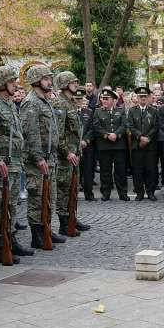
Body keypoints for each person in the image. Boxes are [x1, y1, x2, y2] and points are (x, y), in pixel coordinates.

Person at [0, 65, 33, 263]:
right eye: (12, 81)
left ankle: (10, 239)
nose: (15, 85)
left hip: (13, 163)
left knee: (11, 204)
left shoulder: (9, 103)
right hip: (0, 165)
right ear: (1, 83)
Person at [19, 64, 67, 248]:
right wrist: (38, 158)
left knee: (49, 197)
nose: (50, 81)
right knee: (37, 197)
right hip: (37, 161)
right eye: (46, 78)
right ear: (37, 81)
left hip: (50, 158)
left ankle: (47, 227)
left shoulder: (44, 101)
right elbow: (30, 134)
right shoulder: (31, 102)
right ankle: (37, 234)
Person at [50, 71, 90, 235]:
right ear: (65, 85)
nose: (76, 84)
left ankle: (72, 216)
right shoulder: (60, 104)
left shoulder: (70, 102)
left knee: (73, 187)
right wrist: (66, 152)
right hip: (65, 156)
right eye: (73, 82)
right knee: (64, 188)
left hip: (74, 153)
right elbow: (58, 133)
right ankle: (64, 223)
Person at [89, 88, 128, 201]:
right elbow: (96, 126)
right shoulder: (97, 111)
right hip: (104, 145)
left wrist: (116, 134)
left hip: (119, 145)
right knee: (105, 171)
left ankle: (123, 193)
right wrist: (106, 135)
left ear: (113, 100)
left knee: (120, 170)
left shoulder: (120, 111)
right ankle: (105, 192)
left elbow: (124, 125)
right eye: (102, 99)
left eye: (107, 99)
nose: (104, 101)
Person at [128, 86, 161, 201]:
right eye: (140, 96)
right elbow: (130, 126)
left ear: (148, 98)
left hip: (150, 145)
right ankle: (139, 193)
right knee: (137, 170)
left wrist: (147, 138)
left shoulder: (154, 111)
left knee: (151, 169)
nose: (142, 98)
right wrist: (140, 137)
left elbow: (156, 126)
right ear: (137, 98)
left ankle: (150, 192)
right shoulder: (132, 111)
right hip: (137, 145)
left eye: (145, 96)